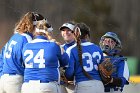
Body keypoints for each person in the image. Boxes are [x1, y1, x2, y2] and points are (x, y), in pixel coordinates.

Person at [0, 12, 44, 93]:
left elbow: (1, 57)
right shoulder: (27, 39)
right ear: (35, 26)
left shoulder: (14, 36)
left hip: (3, 79)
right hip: (15, 80)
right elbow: (30, 63)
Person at [21, 19, 69, 93]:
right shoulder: (53, 45)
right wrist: (60, 47)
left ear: (35, 31)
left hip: (27, 86)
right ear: (48, 32)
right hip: (46, 85)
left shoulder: (26, 46)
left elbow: (24, 65)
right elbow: (65, 61)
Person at [65, 23, 104, 93]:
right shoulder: (97, 48)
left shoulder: (71, 49)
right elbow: (103, 69)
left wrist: (64, 76)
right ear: (87, 35)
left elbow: (69, 73)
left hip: (83, 85)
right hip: (99, 85)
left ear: (74, 34)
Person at [59, 21, 76, 93]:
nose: (65, 32)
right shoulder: (60, 47)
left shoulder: (80, 47)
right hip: (62, 84)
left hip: (76, 84)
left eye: (69, 30)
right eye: (63, 30)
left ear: (75, 32)